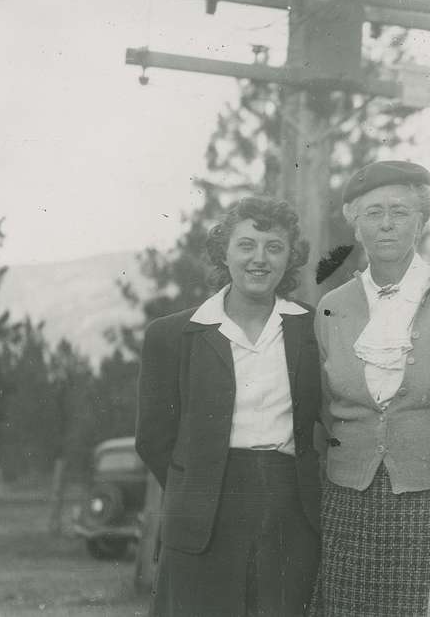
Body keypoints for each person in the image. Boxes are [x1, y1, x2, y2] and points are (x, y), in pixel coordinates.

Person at [135, 195, 321, 616]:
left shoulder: (313, 327)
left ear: (291, 257)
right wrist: (197, 486)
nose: (260, 259)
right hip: (203, 513)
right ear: (224, 251)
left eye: (274, 247)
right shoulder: (172, 334)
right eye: (247, 245)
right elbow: (153, 438)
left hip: (289, 510)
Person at [311, 160, 430, 616]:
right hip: (346, 497)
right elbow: (320, 408)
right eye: (373, 213)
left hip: (429, 496)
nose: (387, 224)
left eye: (400, 210)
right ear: (355, 225)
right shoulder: (332, 307)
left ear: (422, 219)